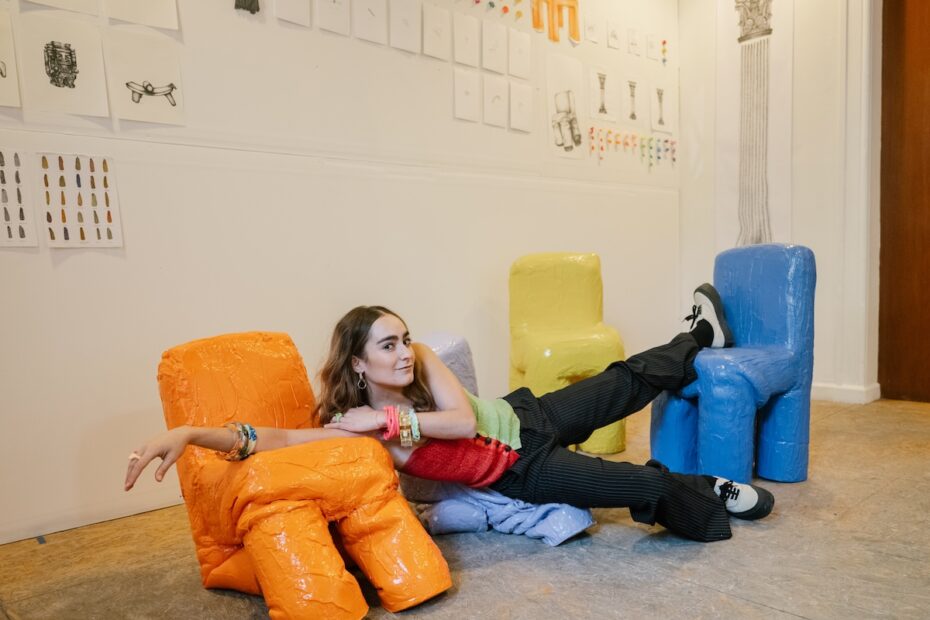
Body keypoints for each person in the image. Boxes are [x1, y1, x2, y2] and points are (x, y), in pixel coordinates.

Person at [125, 283, 774, 542]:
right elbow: (270, 438)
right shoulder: (350, 428)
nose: (404, 351)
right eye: (388, 345)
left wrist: (388, 422)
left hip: (525, 417)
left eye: (403, 337)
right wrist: (188, 431)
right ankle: (705, 494)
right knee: (641, 485)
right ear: (357, 363)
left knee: (623, 378)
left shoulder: (420, 365)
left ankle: (698, 339)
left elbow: (463, 421)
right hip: (520, 474)